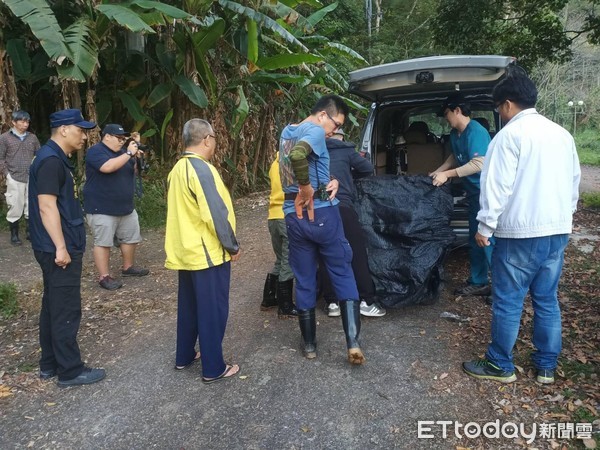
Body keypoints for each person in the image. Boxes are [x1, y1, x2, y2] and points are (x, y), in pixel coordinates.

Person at [463, 71, 581, 384]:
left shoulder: (509, 136)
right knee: (546, 299)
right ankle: (545, 367)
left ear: (509, 104)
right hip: (557, 230)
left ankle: (500, 364)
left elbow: (496, 187)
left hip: (520, 234)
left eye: (500, 108)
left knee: (508, 300)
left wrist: (485, 227)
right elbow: (573, 183)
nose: (500, 114)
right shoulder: (561, 134)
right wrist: (564, 216)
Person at [279, 94, 365, 365]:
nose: (335, 131)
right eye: (336, 124)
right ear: (323, 115)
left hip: (294, 216)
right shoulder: (315, 130)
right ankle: (352, 343)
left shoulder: (287, 131)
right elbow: (298, 155)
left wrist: (330, 180)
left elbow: (298, 161)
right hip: (322, 213)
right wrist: (307, 187)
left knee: (304, 277)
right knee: (341, 270)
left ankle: (310, 345)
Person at [28, 108, 106, 387]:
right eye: (80, 130)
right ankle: (70, 371)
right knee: (65, 309)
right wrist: (61, 247)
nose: (84, 136)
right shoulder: (51, 161)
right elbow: (46, 205)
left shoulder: (54, 158)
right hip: (57, 248)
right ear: (63, 130)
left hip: (51, 245)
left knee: (52, 305)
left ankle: (49, 364)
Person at [165, 118, 241, 384]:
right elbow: (216, 214)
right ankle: (213, 367)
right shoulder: (201, 169)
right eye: (214, 139)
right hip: (206, 253)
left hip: (185, 251)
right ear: (207, 139)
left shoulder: (177, 169)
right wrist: (232, 245)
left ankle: (184, 355)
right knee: (212, 310)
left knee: (189, 307)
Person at [430, 92, 492, 297]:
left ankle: (501, 289)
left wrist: (446, 175)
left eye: (447, 113)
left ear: (457, 110)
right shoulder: (456, 134)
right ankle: (478, 281)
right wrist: (439, 170)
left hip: (488, 194)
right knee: (476, 238)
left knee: (489, 240)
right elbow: (454, 157)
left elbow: (478, 163)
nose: (445, 118)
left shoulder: (476, 131)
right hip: (474, 194)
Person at [321, 129, 385, 318]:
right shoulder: (346, 150)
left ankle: (332, 303)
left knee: (326, 254)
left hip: (320, 208)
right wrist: (348, 176)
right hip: (342, 206)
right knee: (356, 252)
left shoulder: (314, 150)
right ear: (340, 136)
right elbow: (367, 169)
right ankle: (366, 300)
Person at [83, 124, 149, 291]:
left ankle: (128, 267)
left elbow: (133, 171)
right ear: (107, 136)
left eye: (124, 139)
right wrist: (128, 153)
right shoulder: (96, 151)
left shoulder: (123, 153)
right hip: (101, 207)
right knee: (103, 242)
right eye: (119, 138)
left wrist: (137, 157)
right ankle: (104, 276)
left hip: (125, 206)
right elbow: (107, 167)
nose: (122, 142)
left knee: (130, 237)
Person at [262, 151, 298, 318]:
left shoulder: (274, 163)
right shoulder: (291, 164)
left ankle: (269, 298)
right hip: (286, 215)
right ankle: (285, 305)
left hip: (273, 217)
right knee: (289, 260)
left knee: (280, 258)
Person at [0, 110, 40, 245]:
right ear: (14, 122)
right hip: (14, 177)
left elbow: (39, 155)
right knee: (15, 205)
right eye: (22, 121)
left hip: (31, 176)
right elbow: (1, 158)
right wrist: (7, 174)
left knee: (31, 205)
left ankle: (30, 232)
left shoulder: (32, 138)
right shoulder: (5, 138)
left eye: (27, 121)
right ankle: (14, 235)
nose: (25, 124)